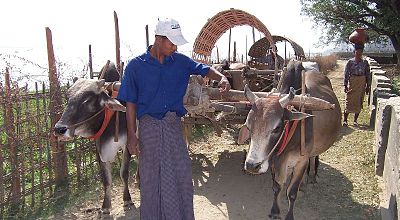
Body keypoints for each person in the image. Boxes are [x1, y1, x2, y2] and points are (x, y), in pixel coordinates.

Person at [117, 18, 230, 220]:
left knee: (182, 174)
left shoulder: (180, 61)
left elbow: (203, 68)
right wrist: (133, 136)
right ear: (159, 39)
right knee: (151, 178)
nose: (175, 46)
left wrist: (221, 77)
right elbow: (131, 103)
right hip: (149, 128)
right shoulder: (136, 66)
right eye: (171, 42)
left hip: (172, 126)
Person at [343, 43, 371, 126]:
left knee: (359, 101)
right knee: (349, 101)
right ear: (354, 52)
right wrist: (345, 85)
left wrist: (368, 86)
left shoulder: (365, 62)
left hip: (361, 83)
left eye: (360, 52)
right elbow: (346, 74)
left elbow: (368, 74)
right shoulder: (350, 62)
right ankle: (345, 120)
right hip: (353, 82)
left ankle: (355, 120)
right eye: (357, 52)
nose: (359, 53)